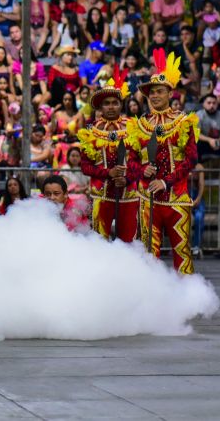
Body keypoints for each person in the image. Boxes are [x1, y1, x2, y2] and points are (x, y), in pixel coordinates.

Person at [126, 50, 199, 274]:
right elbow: (131, 160)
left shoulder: (183, 122)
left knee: (182, 250)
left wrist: (166, 182)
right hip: (148, 199)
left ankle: (187, 301)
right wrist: (142, 170)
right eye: (151, 93)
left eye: (159, 91)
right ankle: (153, 301)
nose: (155, 96)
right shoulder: (138, 125)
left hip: (177, 196)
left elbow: (191, 159)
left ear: (170, 93)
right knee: (149, 252)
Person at [78, 69, 138, 242]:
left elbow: (142, 162)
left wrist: (126, 178)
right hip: (101, 197)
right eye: (106, 103)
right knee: (99, 245)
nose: (111, 107)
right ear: (100, 106)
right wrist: (108, 174)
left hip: (128, 195)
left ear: (121, 104)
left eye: (115, 102)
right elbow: (85, 166)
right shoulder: (90, 131)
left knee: (129, 245)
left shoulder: (133, 127)